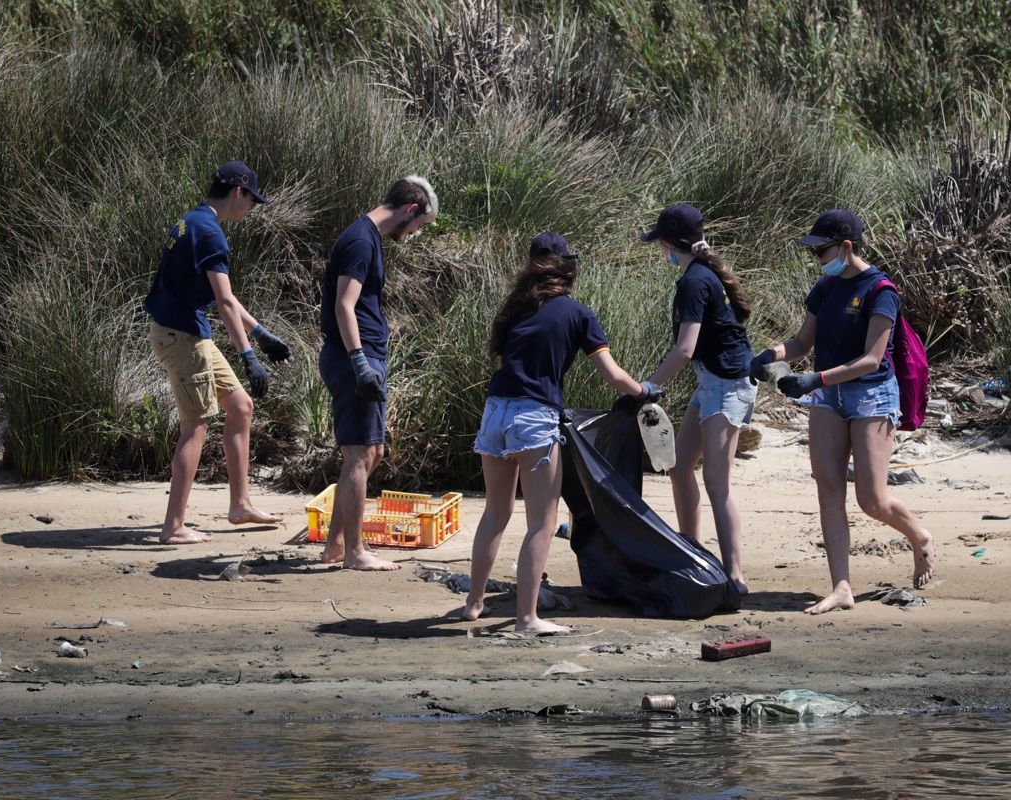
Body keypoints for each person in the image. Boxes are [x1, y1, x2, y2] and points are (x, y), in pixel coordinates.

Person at [462, 232, 660, 633]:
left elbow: (505, 364)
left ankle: (473, 603)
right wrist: (644, 390)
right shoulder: (578, 314)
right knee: (542, 522)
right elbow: (612, 376)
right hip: (535, 418)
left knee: (495, 512)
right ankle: (527, 618)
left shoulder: (514, 309)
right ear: (568, 268)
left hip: (495, 411)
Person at [750, 209, 935, 614]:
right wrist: (769, 355)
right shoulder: (826, 286)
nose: (817, 257)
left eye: (821, 250)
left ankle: (919, 536)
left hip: (871, 396)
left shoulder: (881, 290)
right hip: (828, 399)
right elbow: (802, 342)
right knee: (829, 492)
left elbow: (871, 360)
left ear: (846, 247)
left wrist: (815, 380)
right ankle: (841, 587)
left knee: (872, 500)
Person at [144, 160, 292, 545]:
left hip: (186, 334)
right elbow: (224, 302)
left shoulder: (192, 221)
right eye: (251, 200)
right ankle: (173, 527)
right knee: (195, 427)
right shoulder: (211, 234)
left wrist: (259, 332)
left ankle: (240, 504)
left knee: (240, 407)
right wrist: (248, 356)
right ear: (238, 192)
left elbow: (224, 297)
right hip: (183, 339)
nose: (251, 208)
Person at [318, 175, 439, 571]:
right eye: (419, 224)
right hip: (355, 357)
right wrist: (358, 361)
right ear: (410, 209)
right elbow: (344, 304)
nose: (415, 232)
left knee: (373, 451)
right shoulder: (360, 240)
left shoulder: (367, 237)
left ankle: (336, 544)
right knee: (359, 452)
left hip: (364, 355)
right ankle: (355, 552)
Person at [640, 203, 757, 595]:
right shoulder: (699, 275)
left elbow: (684, 350)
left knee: (716, 483)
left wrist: (647, 388)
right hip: (712, 382)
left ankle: (735, 577)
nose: (660, 250)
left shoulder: (695, 281)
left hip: (728, 384)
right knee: (679, 467)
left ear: (673, 243)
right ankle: (690, 551)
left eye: (661, 243)